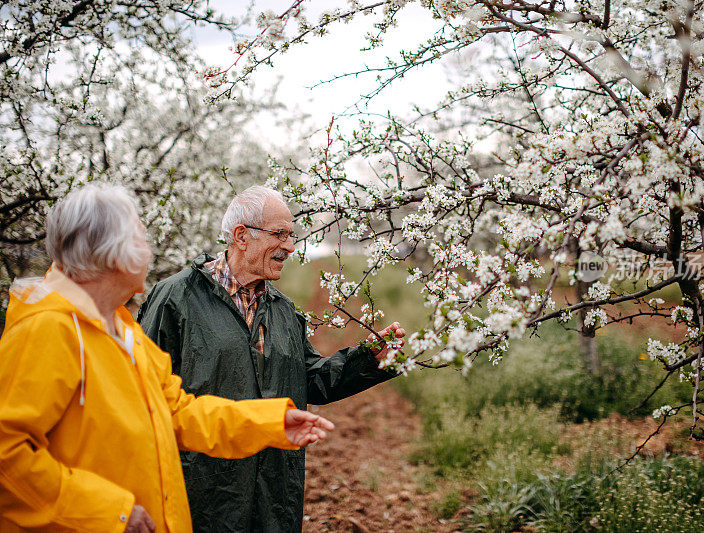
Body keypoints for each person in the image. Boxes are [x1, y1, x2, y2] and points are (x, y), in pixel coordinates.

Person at [0, 184, 335, 533]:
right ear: (111, 252)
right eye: (141, 240)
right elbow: (6, 454)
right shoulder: (47, 330)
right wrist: (109, 513)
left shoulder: (122, 331)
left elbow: (178, 413)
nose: (150, 251)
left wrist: (270, 424)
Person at [138, 185, 405, 533]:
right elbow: (143, 397)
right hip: (203, 492)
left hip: (273, 494)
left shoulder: (281, 309)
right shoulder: (176, 298)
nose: (290, 247)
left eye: (292, 236)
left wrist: (369, 360)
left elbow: (310, 379)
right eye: (279, 234)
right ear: (241, 236)